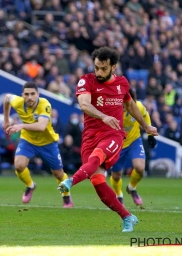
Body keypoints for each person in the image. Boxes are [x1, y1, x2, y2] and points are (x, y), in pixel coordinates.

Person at [57, 47, 158, 232]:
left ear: (114, 67)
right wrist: (103, 116)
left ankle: (71, 181)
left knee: (98, 155)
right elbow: (84, 104)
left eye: (103, 68)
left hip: (113, 135)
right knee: (98, 183)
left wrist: (146, 127)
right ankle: (128, 217)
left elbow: (130, 105)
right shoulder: (86, 80)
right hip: (89, 137)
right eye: (96, 67)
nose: (99, 72)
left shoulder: (122, 83)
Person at [3, 81, 73, 208]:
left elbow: (41, 126)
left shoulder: (44, 104)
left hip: (48, 143)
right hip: (28, 140)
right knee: (19, 165)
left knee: (58, 174)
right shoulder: (18, 102)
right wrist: (6, 119)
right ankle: (30, 185)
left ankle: (66, 195)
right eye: (26, 94)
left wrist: (21, 125)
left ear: (38, 94)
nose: (29, 97)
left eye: (32, 94)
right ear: (22, 95)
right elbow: (7, 97)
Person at [109, 89, 157, 206]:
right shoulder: (111, 110)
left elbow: (146, 116)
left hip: (134, 141)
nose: (125, 106)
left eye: (127, 103)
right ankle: (119, 194)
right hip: (117, 144)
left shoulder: (138, 106)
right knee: (116, 176)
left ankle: (132, 188)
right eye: (122, 103)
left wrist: (150, 134)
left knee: (140, 168)